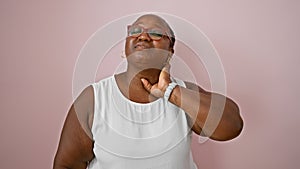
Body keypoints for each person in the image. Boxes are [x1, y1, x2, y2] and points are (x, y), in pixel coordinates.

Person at [53, 14, 243, 169]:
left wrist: (172, 92)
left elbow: (233, 125)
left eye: (155, 33)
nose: (143, 37)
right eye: (135, 31)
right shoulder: (94, 99)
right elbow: (67, 165)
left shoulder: (185, 93)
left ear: (170, 51)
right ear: (125, 48)